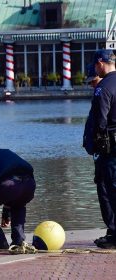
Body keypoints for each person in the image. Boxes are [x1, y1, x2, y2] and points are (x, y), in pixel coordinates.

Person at [83, 49, 116, 249]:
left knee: (108, 189)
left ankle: (114, 234)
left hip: (109, 150)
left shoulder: (103, 88)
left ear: (100, 64)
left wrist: (96, 146)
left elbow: (100, 122)